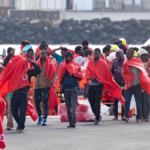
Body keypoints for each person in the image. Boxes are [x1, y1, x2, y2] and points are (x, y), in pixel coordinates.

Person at [86, 48, 124, 125]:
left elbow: (107, 74)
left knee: (98, 101)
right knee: (91, 101)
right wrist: (90, 77)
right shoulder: (90, 62)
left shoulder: (103, 63)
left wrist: (99, 78)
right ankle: (96, 114)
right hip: (91, 84)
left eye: (97, 53)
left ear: (100, 54)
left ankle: (97, 118)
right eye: (94, 53)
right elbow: (87, 71)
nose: (95, 55)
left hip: (99, 85)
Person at [3, 55, 41, 133]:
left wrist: (32, 62)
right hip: (15, 94)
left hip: (24, 94)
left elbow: (38, 70)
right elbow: (5, 64)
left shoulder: (29, 71)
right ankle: (20, 124)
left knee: (23, 111)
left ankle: (21, 127)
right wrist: (10, 55)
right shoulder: (14, 72)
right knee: (13, 111)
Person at [122, 49, 150, 123]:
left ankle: (138, 117)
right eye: (126, 53)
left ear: (132, 54)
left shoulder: (137, 61)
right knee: (127, 101)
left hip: (137, 85)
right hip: (129, 85)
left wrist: (145, 76)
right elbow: (123, 72)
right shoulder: (125, 62)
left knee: (138, 101)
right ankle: (126, 116)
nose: (127, 54)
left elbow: (143, 70)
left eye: (128, 53)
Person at [58, 51, 83, 128]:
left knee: (74, 106)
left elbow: (80, 75)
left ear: (72, 57)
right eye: (67, 56)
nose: (69, 58)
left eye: (70, 56)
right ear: (65, 57)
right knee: (68, 106)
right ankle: (70, 122)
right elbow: (60, 77)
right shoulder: (62, 65)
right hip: (65, 89)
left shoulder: (76, 65)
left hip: (74, 88)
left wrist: (73, 70)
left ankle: (73, 122)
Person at [34, 45, 57, 126]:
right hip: (36, 86)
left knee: (44, 103)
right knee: (36, 102)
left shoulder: (50, 64)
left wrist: (50, 83)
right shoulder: (36, 63)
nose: (42, 55)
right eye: (41, 53)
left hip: (45, 86)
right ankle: (39, 116)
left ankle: (44, 118)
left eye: (44, 53)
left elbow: (54, 74)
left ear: (46, 54)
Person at [110, 50, 125, 120]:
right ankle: (115, 116)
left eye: (119, 55)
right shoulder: (114, 62)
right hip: (116, 85)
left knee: (123, 101)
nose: (117, 57)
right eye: (116, 55)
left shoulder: (125, 62)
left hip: (124, 85)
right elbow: (111, 72)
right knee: (115, 101)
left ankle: (123, 115)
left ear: (122, 55)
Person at [1, 63, 14, 130]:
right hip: (4, 93)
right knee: (6, 109)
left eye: (4, 66)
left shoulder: (10, 74)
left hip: (9, 93)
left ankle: (9, 124)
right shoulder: (2, 73)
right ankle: (10, 124)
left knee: (9, 108)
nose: (2, 67)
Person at [139, 49, 150, 122]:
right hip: (140, 85)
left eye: (145, 56)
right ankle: (142, 115)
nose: (144, 57)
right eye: (142, 56)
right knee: (141, 101)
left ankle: (146, 116)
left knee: (146, 100)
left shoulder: (149, 63)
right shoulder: (138, 63)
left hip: (147, 85)